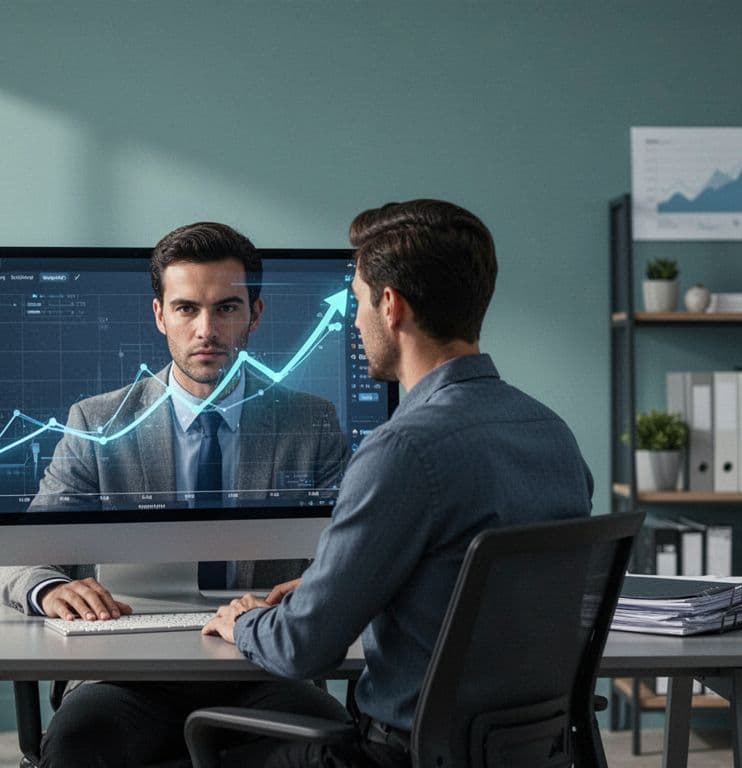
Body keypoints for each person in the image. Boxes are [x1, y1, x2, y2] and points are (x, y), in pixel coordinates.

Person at [202, 199, 595, 767]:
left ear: (391, 306)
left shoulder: (402, 449)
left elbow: (301, 650)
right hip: (525, 751)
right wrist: (327, 591)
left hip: (398, 755)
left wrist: (245, 622)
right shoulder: (552, 433)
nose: (354, 321)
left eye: (358, 301)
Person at [0, 221, 351, 768]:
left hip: (259, 665)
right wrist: (47, 589)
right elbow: (19, 558)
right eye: (186, 309)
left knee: (331, 745)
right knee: (76, 747)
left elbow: (346, 558)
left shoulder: (312, 423)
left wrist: (314, 587)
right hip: (129, 673)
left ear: (255, 315)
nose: (206, 329)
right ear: (159, 315)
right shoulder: (96, 422)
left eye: (227, 308)